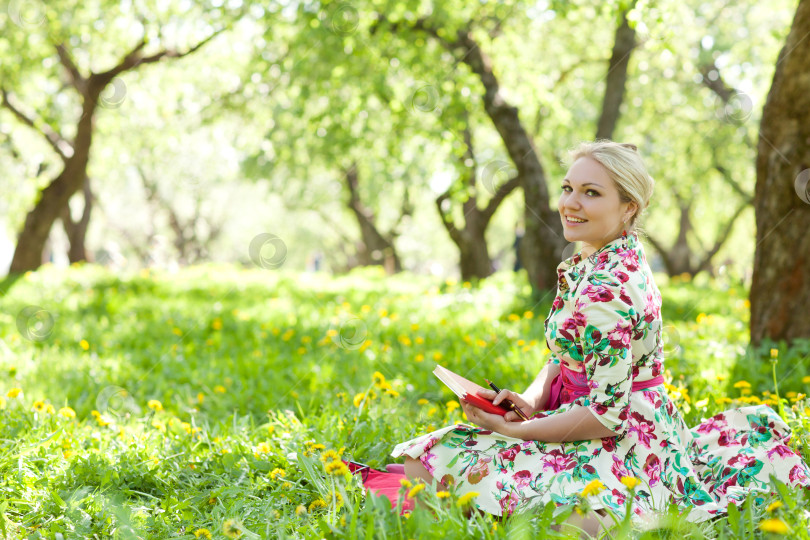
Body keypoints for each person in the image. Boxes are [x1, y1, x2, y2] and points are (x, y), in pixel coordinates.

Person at [390, 141, 810, 537]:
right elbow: (566, 357)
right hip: (615, 417)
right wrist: (533, 399)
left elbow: (608, 415)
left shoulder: (605, 287)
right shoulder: (600, 257)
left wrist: (519, 432)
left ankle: (610, 510)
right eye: (568, 188)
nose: (570, 203)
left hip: (620, 436)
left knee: (428, 459)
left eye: (591, 193)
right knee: (436, 461)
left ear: (629, 207)